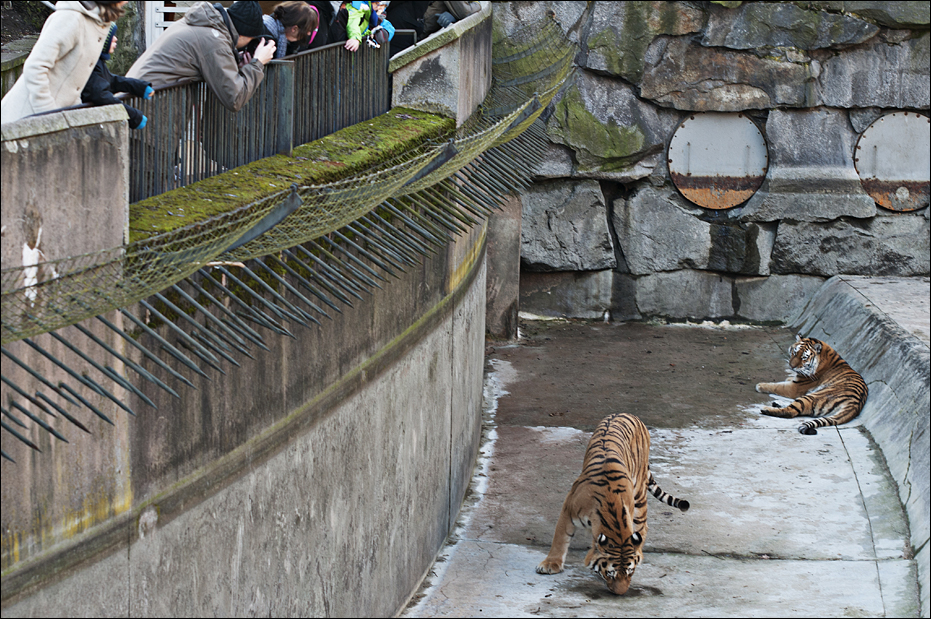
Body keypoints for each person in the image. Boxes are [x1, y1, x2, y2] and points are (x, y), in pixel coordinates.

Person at [126, 0, 275, 113]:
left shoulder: (204, 26)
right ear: (242, 34)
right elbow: (234, 98)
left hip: (138, 104)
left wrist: (238, 65)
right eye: (252, 39)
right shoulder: (214, 40)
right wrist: (258, 63)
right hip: (148, 112)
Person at [1, 1, 127, 124]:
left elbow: (75, 83)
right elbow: (35, 67)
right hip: (24, 121)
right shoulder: (71, 18)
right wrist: (50, 117)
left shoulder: (97, 23)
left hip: (53, 124)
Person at [81, 24, 153, 129]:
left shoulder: (97, 61)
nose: (115, 39)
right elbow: (101, 95)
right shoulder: (90, 63)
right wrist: (133, 116)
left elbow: (111, 81)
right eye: (110, 36)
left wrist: (141, 87)